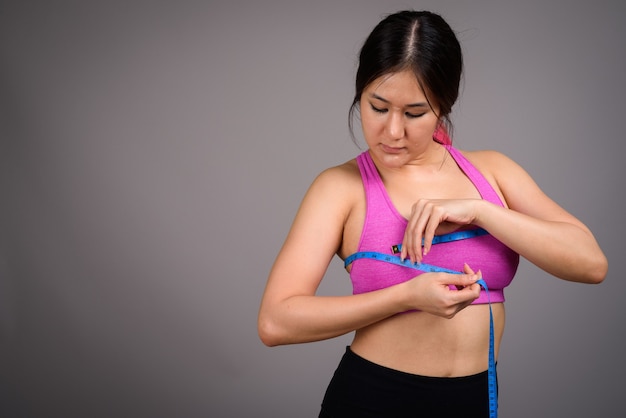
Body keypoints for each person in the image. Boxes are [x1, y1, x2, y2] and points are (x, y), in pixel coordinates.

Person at [258, 10, 607, 417]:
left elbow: (591, 263)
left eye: (414, 113)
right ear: (360, 94)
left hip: (474, 399)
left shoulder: (491, 172)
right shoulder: (339, 188)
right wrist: (405, 296)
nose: (392, 132)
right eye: (377, 107)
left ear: (444, 105)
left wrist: (481, 211)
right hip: (373, 399)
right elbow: (276, 322)